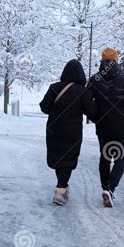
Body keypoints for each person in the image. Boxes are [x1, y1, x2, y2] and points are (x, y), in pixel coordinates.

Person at [87, 48, 124, 207]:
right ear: (116, 60)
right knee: (120, 159)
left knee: (105, 158)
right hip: (121, 127)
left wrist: (95, 118)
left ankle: (105, 187)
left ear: (102, 60)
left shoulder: (95, 80)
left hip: (103, 126)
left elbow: (86, 102)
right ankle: (110, 189)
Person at [40, 59, 96, 206]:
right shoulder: (83, 91)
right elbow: (92, 112)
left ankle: (62, 186)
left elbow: (44, 108)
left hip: (54, 129)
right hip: (73, 131)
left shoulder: (54, 88)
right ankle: (60, 188)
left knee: (58, 157)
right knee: (68, 159)